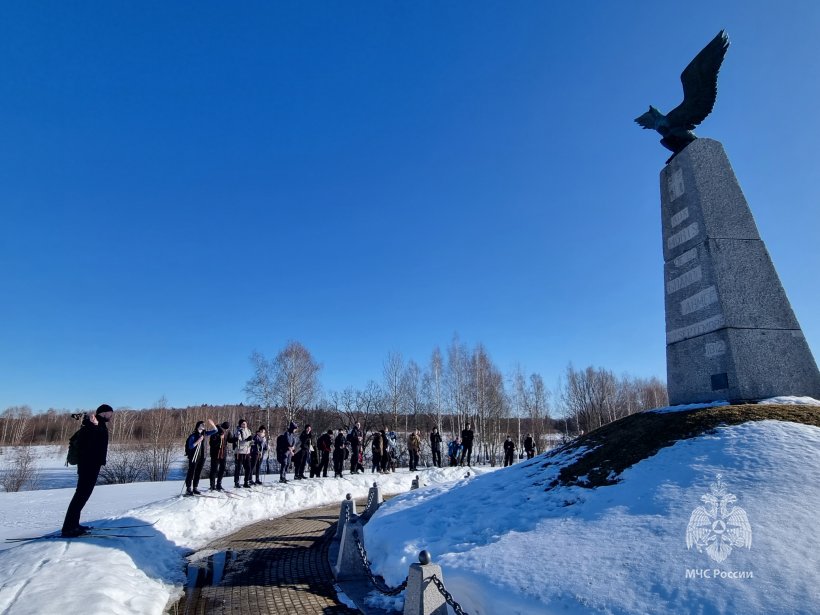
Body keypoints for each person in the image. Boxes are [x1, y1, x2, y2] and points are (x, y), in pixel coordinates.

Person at [61, 404, 114, 537]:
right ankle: (68, 528)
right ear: (103, 413)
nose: (111, 416)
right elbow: (89, 441)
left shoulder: (98, 424)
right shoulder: (92, 425)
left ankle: (74, 524)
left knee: (82, 496)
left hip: (92, 465)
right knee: (80, 496)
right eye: (109, 413)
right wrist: (93, 425)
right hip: (88, 466)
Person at [185, 419, 218, 495]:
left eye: (204, 424)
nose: (204, 425)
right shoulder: (193, 436)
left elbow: (215, 431)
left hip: (203, 456)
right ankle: (188, 488)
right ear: (197, 426)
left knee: (198, 472)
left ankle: (195, 487)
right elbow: (190, 446)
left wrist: (213, 424)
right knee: (191, 472)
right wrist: (198, 441)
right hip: (194, 456)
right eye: (202, 424)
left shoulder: (205, 434)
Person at [209, 421, 232, 491]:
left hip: (223, 452)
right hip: (215, 452)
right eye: (225, 429)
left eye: (227, 429)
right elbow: (211, 442)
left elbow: (230, 440)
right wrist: (219, 437)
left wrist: (237, 439)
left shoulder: (227, 431)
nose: (226, 430)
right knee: (214, 469)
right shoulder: (216, 430)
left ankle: (219, 484)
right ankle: (212, 485)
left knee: (222, 468)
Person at [234, 419, 253, 488]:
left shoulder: (248, 430)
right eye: (243, 424)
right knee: (238, 467)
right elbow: (238, 441)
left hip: (247, 451)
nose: (245, 425)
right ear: (240, 425)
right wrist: (247, 440)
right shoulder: (238, 431)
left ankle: (246, 482)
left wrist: (251, 442)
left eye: (245, 424)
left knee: (248, 467)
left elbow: (250, 441)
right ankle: (236, 482)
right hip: (239, 451)